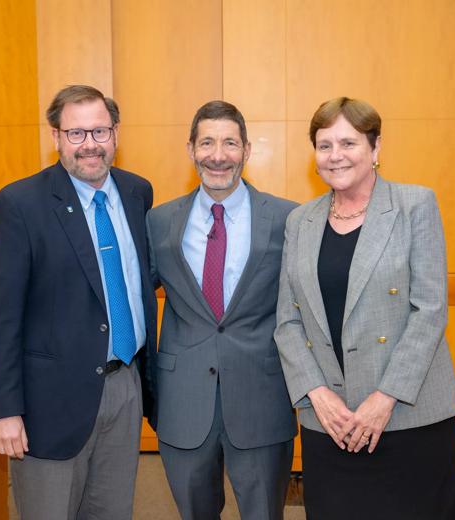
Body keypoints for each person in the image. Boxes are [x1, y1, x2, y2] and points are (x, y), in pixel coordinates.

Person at [274, 97, 455, 519]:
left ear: (375, 149)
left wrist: (385, 398)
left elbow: (430, 309)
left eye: (349, 142)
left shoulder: (414, 205)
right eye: (324, 145)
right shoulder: (299, 222)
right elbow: (287, 322)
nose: (335, 155)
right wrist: (316, 394)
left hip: (407, 414)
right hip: (331, 420)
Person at [0, 85, 157, 520]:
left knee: (113, 511)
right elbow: (0, 318)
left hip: (124, 386)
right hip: (49, 401)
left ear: (116, 134)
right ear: (55, 137)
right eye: (76, 134)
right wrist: (5, 412)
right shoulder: (20, 204)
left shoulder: (137, 193)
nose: (90, 145)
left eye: (99, 131)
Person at [146, 100, 297, 520]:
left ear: (247, 150)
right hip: (183, 401)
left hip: (262, 397)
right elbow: (132, 295)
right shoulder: (159, 222)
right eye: (207, 142)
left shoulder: (288, 219)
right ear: (190, 149)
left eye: (230, 143)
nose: (218, 155)